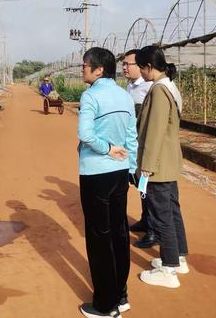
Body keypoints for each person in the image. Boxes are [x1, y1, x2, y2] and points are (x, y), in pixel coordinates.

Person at [78, 47, 138, 318]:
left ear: (99, 69)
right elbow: (132, 137)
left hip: (96, 173)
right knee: (118, 232)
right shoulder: (125, 96)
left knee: (99, 237)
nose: (83, 69)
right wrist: (131, 167)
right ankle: (120, 293)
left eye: (85, 65)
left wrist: (106, 148)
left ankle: (105, 305)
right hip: (120, 173)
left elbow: (86, 135)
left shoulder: (91, 96)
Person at [135, 45, 189, 288]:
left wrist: (146, 166)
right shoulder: (169, 86)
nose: (139, 72)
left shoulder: (158, 90)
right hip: (168, 160)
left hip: (157, 163)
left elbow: (154, 131)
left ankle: (169, 270)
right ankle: (178, 258)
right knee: (172, 209)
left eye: (139, 67)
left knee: (161, 214)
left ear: (148, 67)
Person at [122, 49, 156, 249]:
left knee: (149, 188)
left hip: (145, 146)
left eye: (129, 64)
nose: (125, 67)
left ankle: (153, 230)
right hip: (133, 147)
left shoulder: (149, 87)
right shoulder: (130, 86)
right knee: (140, 187)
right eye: (124, 64)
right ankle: (145, 220)